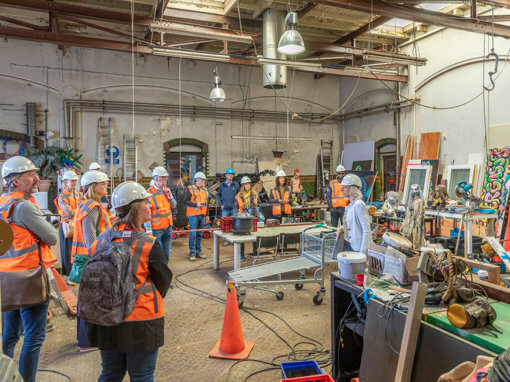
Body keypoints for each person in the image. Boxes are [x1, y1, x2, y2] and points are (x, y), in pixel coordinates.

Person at [88, 181, 172, 382]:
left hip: (107, 319)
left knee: (110, 374)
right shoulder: (148, 243)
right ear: (135, 208)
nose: (150, 206)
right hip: (141, 321)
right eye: (145, 202)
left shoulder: (100, 240)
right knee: (142, 375)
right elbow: (164, 280)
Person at [0, 156, 58, 382]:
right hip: (29, 280)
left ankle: (6, 376)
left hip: (6, 280)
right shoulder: (23, 207)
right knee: (34, 337)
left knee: (10, 335)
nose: (37, 178)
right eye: (30, 175)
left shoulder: (3, 203)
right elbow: (51, 237)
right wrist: (43, 225)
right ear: (15, 181)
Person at [71, 170, 111, 352]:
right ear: (93, 187)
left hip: (87, 258)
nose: (106, 186)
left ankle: (86, 338)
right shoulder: (92, 207)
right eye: (103, 184)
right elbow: (90, 239)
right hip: (91, 259)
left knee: (87, 300)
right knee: (90, 301)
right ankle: (87, 342)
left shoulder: (86, 205)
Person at [145, 166, 176, 265]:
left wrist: (170, 196)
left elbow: (174, 206)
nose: (166, 180)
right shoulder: (148, 194)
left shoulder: (166, 190)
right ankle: (158, 275)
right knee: (159, 254)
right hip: (156, 229)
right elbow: (146, 213)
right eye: (164, 178)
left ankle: (164, 273)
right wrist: (148, 229)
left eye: (166, 178)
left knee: (166, 253)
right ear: (157, 178)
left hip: (168, 227)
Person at [336, 174, 372, 254]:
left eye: (344, 187)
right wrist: (342, 228)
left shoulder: (358, 204)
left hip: (357, 248)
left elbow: (366, 230)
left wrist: (362, 252)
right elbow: (351, 223)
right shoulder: (351, 205)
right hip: (349, 244)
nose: (342, 190)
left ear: (351, 188)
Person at [54, 170, 80, 276]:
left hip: (76, 225)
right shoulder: (62, 197)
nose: (74, 183)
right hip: (67, 226)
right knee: (67, 250)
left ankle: (74, 272)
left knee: (75, 250)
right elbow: (68, 212)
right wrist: (80, 211)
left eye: (75, 181)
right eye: (71, 181)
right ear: (65, 182)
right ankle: (68, 273)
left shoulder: (78, 194)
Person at [185, 172, 209, 261]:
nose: (204, 182)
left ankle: (199, 251)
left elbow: (207, 204)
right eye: (203, 180)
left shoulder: (205, 190)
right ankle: (192, 252)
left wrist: (207, 215)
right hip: (193, 215)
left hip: (202, 215)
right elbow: (185, 201)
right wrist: (195, 205)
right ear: (198, 180)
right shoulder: (190, 189)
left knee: (199, 234)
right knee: (193, 234)